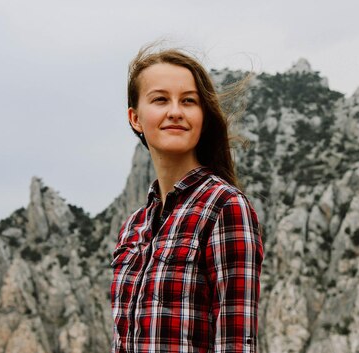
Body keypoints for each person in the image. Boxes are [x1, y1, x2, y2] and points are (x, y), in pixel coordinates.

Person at [110, 45, 264, 353]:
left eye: (189, 101)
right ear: (136, 118)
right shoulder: (133, 228)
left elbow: (236, 341)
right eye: (160, 99)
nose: (175, 111)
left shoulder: (224, 206)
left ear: (203, 117)